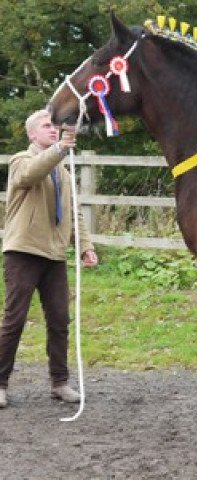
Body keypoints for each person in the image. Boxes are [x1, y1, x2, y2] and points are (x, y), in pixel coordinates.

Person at [0, 109, 98, 408]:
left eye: (55, 126)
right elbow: (32, 174)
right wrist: (59, 149)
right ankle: (0, 383)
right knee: (14, 319)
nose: (53, 129)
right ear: (32, 134)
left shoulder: (64, 173)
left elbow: (74, 212)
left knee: (59, 320)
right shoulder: (21, 161)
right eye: (46, 126)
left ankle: (60, 383)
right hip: (23, 251)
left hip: (54, 255)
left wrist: (85, 245)